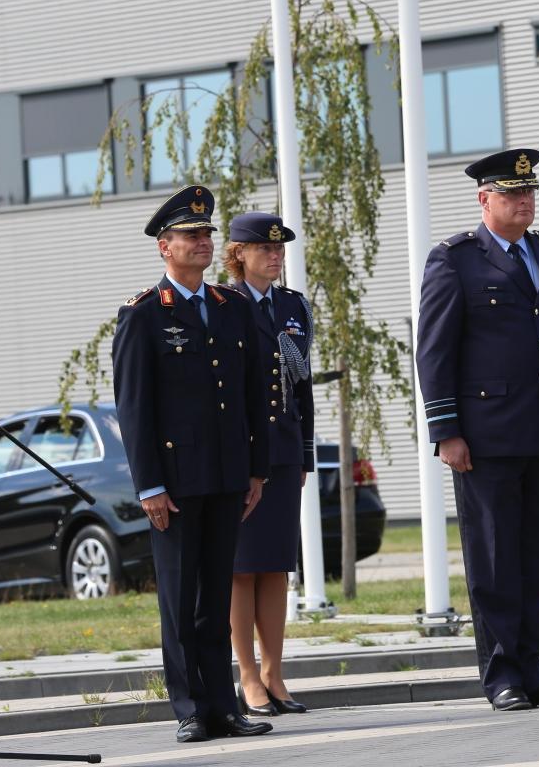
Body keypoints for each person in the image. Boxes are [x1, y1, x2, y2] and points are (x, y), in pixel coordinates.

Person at [415, 147, 539, 712]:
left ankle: (534, 669)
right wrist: (446, 429)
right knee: (492, 559)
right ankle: (502, 674)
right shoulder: (455, 260)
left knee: (537, 560)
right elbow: (434, 351)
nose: (523, 202)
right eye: (512, 194)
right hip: (484, 435)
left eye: (529, 192)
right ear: (483, 199)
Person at [111, 184, 273, 742]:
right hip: (176, 483)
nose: (203, 242)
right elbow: (135, 410)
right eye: (190, 235)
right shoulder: (143, 315)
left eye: (207, 233)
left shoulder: (230, 308)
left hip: (228, 476)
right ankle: (188, 708)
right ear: (165, 246)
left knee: (216, 597)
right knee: (182, 601)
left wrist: (256, 469)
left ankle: (223, 707)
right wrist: (150, 485)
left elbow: (255, 393)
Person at [223, 211, 315, 717]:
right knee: (242, 569)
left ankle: (276, 673)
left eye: (279, 249)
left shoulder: (294, 306)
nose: (275, 256)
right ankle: (248, 677)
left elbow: (303, 389)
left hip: (281, 450)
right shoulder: (223, 304)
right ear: (239, 254)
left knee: (277, 567)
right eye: (265, 249)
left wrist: (304, 451)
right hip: (240, 453)